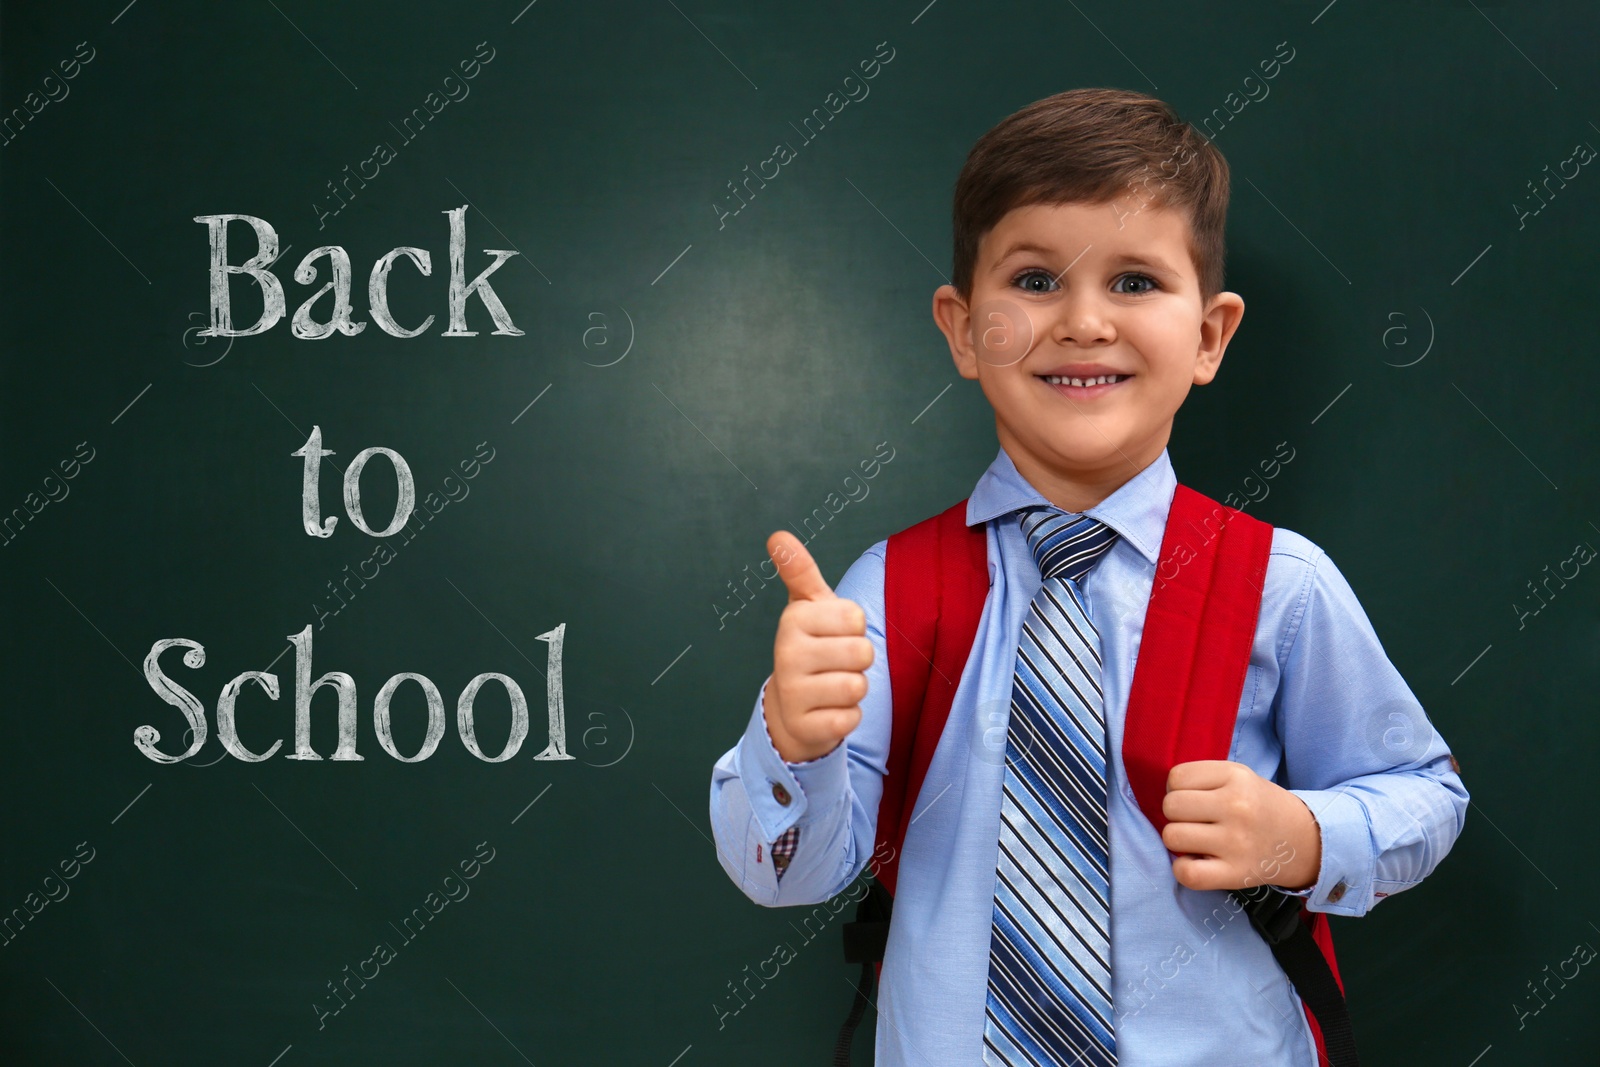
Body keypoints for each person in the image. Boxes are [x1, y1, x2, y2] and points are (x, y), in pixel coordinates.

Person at [708, 87, 1468, 1066]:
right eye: (1032, 279)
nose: (1082, 321)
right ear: (960, 327)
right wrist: (793, 743)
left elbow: (1423, 791)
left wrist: (1304, 833)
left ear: (1209, 335)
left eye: (1136, 283)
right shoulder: (887, 588)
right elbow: (789, 876)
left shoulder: (1279, 582)